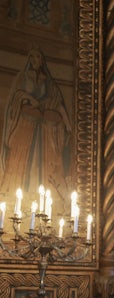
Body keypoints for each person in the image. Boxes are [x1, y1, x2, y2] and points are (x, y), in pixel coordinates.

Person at [0, 46, 73, 205]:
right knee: (21, 159)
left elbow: (57, 102)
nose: (34, 60)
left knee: (42, 159)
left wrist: (67, 124)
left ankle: (43, 198)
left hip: (42, 130)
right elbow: (15, 97)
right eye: (31, 56)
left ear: (42, 60)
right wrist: (27, 98)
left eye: (37, 57)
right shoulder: (23, 77)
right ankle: (16, 198)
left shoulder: (48, 82)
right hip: (25, 125)